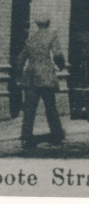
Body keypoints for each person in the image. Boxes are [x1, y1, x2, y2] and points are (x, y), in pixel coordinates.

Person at [16, 13, 66, 150]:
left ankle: (26, 137)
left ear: (37, 24)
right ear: (48, 23)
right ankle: (56, 136)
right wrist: (61, 66)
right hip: (46, 76)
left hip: (31, 78)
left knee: (29, 109)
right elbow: (57, 54)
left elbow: (20, 59)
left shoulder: (31, 38)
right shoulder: (52, 36)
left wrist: (20, 75)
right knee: (50, 107)